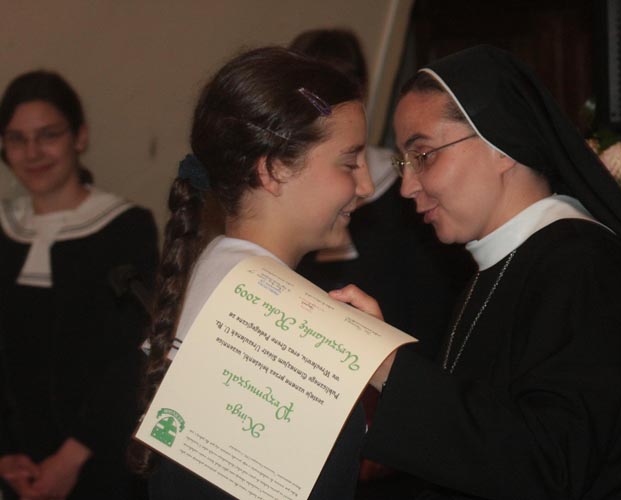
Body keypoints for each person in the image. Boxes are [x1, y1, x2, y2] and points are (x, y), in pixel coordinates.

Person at [330, 45, 621, 499]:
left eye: (423, 156)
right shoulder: (507, 264)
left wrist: (388, 364)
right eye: (404, 163)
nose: (407, 187)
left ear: (499, 145)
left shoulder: (584, 269)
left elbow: (548, 464)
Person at [137, 46, 374, 500]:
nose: (366, 185)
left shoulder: (208, 279)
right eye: (349, 162)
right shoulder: (281, 330)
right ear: (273, 169)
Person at [0, 71, 158, 499]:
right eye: (17, 139)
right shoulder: (4, 230)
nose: (33, 152)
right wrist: (5, 454)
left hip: (103, 460)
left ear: (80, 136)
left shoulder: (125, 227)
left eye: (48, 135)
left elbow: (133, 354)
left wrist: (70, 460)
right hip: (19, 468)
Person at [290, 28, 473, 362]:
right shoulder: (288, 198)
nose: (364, 188)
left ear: (362, 91)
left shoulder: (404, 191)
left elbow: (433, 303)